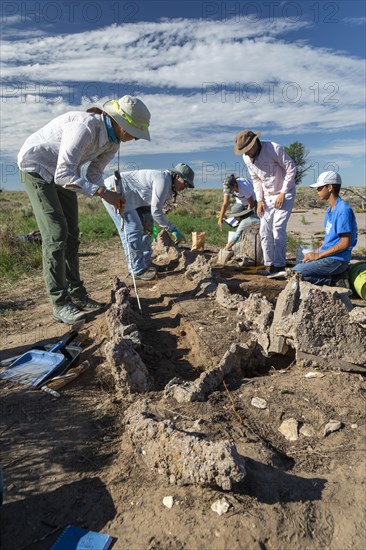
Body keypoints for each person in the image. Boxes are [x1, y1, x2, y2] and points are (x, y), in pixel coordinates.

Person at [17, 95, 151, 324]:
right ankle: (59, 302)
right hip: (37, 167)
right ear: (121, 123)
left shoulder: (113, 142)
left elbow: (94, 174)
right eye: (133, 132)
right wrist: (102, 193)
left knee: (72, 233)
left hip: (65, 174)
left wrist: (111, 195)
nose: (134, 139)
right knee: (57, 233)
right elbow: (62, 174)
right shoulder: (85, 127)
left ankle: (77, 294)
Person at [102, 163, 195, 280]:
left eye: (188, 185)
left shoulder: (169, 186)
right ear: (177, 176)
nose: (185, 186)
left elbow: (153, 206)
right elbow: (156, 210)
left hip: (136, 200)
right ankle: (137, 270)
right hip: (115, 191)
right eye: (185, 182)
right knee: (133, 230)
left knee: (149, 228)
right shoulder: (163, 180)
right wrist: (171, 228)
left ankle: (145, 263)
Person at [234, 129, 297, 274]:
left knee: (278, 228)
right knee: (264, 230)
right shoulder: (246, 158)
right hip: (267, 196)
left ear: (254, 142)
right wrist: (260, 200)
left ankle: (279, 265)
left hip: (284, 193)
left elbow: (291, 168)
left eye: (247, 149)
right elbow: (256, 179)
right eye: (243, 151)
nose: (246, 153)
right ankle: (269, 265)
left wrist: (283, 192)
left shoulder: (274, 148)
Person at [292, 171, 357, 286]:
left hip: (337, 259)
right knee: (301, 257)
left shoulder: (343, 210)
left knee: (296, 273)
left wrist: (318, 255)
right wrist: (314, 252)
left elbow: (344, 243)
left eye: (319, 188)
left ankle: (335, 281)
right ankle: (333, 276)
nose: (317, 191)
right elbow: (329, 240)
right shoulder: (330, 209)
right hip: (328, 255)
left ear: (330, 187)